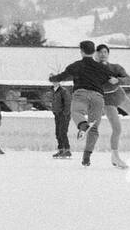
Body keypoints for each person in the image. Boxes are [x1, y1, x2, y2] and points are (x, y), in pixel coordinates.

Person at [48, 41, 123, 169]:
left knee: (76, 112)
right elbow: (112, 81)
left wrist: (52, 78)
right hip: (98, 97)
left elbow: (61, 77)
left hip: (81, 94)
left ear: (81, 51)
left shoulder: (76, 66)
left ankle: (83, 125)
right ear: (94, 52)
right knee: (94, 129)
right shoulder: (102, 68)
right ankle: (86, 156)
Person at [96, 44, 130, 171]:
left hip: (119, 95)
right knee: (117, 128)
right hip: (107, 101)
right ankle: (115, 156)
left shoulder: (115, 67)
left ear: (108, 54)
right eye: (100, 52)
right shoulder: (92, 70)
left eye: (105, 52)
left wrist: (118, 80)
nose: (103, 54)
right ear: (96, 54)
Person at [50, 82, 73, 160]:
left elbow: (68, 102)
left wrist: (65, 113)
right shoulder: (53, 90)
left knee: (63, 132)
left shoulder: (63, 91)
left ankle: (67, 149)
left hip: (63, 115)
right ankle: (61, 149)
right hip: (57, 114)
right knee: (58, 133)